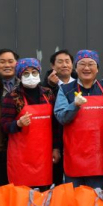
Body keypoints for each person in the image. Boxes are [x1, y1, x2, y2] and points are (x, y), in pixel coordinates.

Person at [54, 50, 103, 189]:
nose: (86, 68)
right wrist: (74, 105)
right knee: (73, 201)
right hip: (74, 155)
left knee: (95, 200)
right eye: (82, 64)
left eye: (91, 64)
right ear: (76, 68)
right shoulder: (66, 89)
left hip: (99, 155)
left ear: (97, 68)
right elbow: (61, 117)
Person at [1, 58, 56, 190]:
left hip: (44, 156)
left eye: (34, 72)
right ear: (19, 76)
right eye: (26, 73)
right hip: (21, 158)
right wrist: (17, 123)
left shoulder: (48, 94)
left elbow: (55, 125)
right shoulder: (12, 96)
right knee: (22, 198)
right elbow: (4, 125)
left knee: (43, 198)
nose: (31, 76)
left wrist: (57, 148)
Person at [42, 49, 73, 186]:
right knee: (56, 181)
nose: (64, 65)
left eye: (67, 61)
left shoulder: (80, 83)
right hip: (54, 138)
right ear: (52, 66)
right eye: (60, 62)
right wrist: (50, 86)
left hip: (76, 139)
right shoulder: (44, 87)